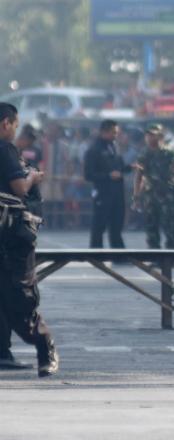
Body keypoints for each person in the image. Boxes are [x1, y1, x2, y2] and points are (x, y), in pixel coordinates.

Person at [0, 102, 58, 377]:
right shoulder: (5, 149)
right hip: (10, 235)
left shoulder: (7, 150)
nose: (14, 129)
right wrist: (33, 176)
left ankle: (45, 345)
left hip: (11, 236)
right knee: (12, 300)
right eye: (14, 124)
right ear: (6, 124)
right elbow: (21, 187)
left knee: (18, 301)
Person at [133, 124, 174, 249]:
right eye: (148, 135)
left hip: (166, 193)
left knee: (170, 225)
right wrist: (136, 196)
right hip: (150, 194)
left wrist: (173, 170)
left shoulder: (169, 152)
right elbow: (138, 175)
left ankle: (172, 256)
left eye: (153, 135)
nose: (150, 138)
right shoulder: (144, 154)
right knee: (151, 226)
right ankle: (154, 255)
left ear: (160, 136)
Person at [84, 119, 129, 248]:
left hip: (117, 193)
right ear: (104, 132)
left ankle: (118, 253)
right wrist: (108, 176)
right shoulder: (94, 150)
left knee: (116, 224)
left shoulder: (114, 147)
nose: (116, 135)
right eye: (114, 132)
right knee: (99, 225)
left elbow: (119, 167)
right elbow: (88, 175)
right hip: (103, 193)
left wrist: (129, 168)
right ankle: (96, 254)